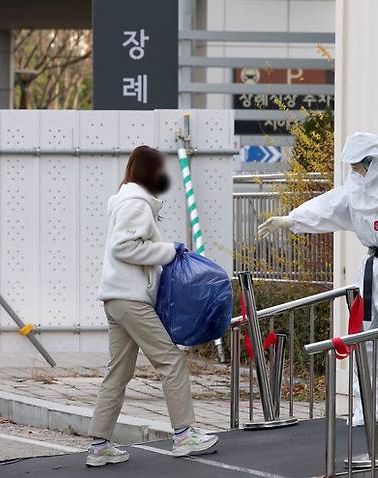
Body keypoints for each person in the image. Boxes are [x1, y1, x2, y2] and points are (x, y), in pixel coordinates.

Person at [258, 132, 378, 426]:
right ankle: (370, 404)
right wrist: (289, 220)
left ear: (373, 163)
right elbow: (326, 207)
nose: (353, 171)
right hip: (371, 270)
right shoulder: (356, 194)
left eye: (357, 165)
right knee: (364, 340)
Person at [86, 145, 218, 467]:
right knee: (171, 361)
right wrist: (168, 250)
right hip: (132, 299)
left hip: (116, 299)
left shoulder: (123, 202)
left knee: (118, 372)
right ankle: (184, 434)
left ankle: (99, 446)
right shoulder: (136, 205)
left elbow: (123, 246)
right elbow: (125, 247)